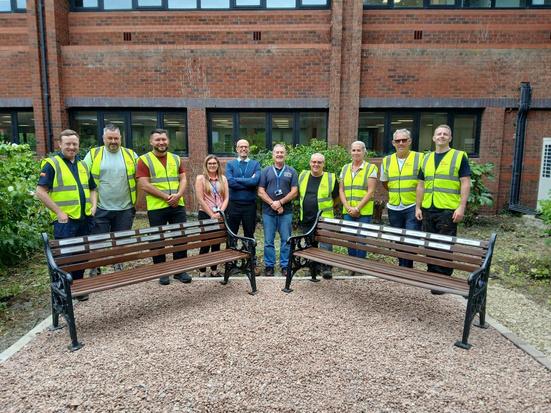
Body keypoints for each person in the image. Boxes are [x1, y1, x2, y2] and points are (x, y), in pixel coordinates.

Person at [35, 129, 97, 301]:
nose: (71, 147)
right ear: (59, 144)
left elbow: (93, 188)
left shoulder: (83, 165)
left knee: (82, 255)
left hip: (84, 218)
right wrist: (58, 212)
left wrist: (94, 206)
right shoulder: (52, 164)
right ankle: (63, 293)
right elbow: (40, 191)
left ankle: (78, 288)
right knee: (66, 259)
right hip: (65, 221)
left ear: (78, 145)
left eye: (74, 144)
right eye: (68, 144)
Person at [415, 124, 471, 293]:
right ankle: (433, 276)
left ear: (450, 138)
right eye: (438, 134)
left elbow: (465, 182)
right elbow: (421, 185)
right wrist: (418, 207)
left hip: (447, 209)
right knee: (429, 245)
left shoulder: (459, 156)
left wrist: (461, 207)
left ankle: (443, 280)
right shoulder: (426, 158)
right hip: (428, 208)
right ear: (433, 138)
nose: (441, 136)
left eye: (445, 134)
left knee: (444, 245)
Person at [136, 129, 191, 286]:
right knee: (157, 240)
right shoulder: (144, 160)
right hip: (157, 207)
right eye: (157, 140)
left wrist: (178, 195)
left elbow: (183, 179)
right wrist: (166, 197)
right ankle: (161, 271)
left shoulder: (176, 158)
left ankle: (180, 271)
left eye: (164, 139)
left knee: (180, 238)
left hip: (177, 205)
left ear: (168, 141)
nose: (161, 142)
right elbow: (144, 184)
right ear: (151, 142)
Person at [83, 124, 138, 274]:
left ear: (121, 138)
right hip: (100, 207)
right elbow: (83, 178)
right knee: (97, 240)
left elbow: (140, 177)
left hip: (125, 207)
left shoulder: (131, 155)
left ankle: (117, 264)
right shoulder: (93, 154)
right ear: (103, 138)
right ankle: (95, 266)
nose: (113, 141)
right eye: (110, 138)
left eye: (116, 138)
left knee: (121, 240)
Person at [380, 129, 423, 268]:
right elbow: (385, 182)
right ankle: (402, 265)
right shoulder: (387, 160)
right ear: (393, 143)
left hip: (412, 205)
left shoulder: (420, 158)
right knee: (398, 239)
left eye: (404, 140)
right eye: (398, 141)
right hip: (394, 207)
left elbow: (424, 182)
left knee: (411, 239)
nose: (401, 143)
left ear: (409, 141)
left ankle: (407, 267)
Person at [258, 144, 298, 277]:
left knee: (286, 240)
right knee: (268, 241)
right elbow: (260, 191)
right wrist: (273, 203)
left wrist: (280, 202)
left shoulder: (292, 171)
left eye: (282, 152)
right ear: (273, 155)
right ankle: (269, 266)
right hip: (268, 212)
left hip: (286, 212)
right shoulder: (265, 171)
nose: (279, 154)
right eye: (277, 152)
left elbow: (294, 192)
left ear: (285, 155)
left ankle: (285, 266)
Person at [298, 153, 339, 279]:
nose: (316, 164)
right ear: (310, 163)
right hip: (306, 216)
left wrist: (329, 206)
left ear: (323, 164)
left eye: (319, 162)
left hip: (324, 217)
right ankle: (313, 267)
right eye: (314, 162)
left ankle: (326, 267)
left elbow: (337, 197)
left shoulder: (330, 178)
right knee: (310, 243)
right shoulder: (303, 175)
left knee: (325, 244)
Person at [225, 139, 261, 273]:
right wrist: (248, 181)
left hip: (249, 206)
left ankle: (251, 263)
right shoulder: (230, 164)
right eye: (241, 147)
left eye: (246, 147)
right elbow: (230, 182)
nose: (243, 149)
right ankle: (231, 263)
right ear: (237, 149)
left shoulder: (255, 164)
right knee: (232, 234)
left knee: (249, 235)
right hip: (233, 205)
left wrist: (238, 180)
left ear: (249, 149)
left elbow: (255, 181)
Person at [339, 140, 378, 258]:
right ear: (350, 152)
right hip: (348, 211)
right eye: (354, 150)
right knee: (350, 239)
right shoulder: (345, 168)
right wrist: (348, 207)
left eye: (359, 150)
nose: (356, 153)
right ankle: (352, 263)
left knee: (361, 240)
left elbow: (371, 191)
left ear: (364, 152)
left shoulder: (371, 168)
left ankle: (360, 263)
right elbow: (341, 190)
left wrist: (357, 208)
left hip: (363, 211)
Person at [195, 155, 229, 277]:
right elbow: (200, 199)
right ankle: (202, 270)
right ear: (206, 165)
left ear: (218, 165)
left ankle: (214, 269)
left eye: (214, 163)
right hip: (205, 214)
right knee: (205, 242)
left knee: (216, 243)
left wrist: (220, 213)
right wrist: (211, 214)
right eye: (210, 163)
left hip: (220, 214)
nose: (212, 165)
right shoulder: (200, 179)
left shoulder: (223, 179)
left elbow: (226, 198)